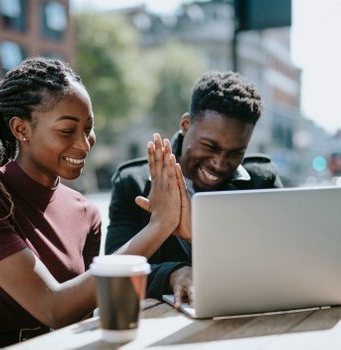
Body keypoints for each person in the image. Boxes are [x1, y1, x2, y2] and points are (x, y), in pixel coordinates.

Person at [0, 56, 182, 348]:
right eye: (67, 130)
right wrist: (160, 225)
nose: (83, 144)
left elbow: (82, 313)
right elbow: (53, 308)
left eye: (88, 128)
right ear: (21, 129)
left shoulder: (86, 212)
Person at [105, 71, 283, 307]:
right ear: (186, 125)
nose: (219, 164)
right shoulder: (133, 183)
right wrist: (172, 274)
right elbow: (114, 270)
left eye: (235, 153)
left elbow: (280, 262)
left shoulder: (262, 181)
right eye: (209, 146)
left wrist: (197, 235)